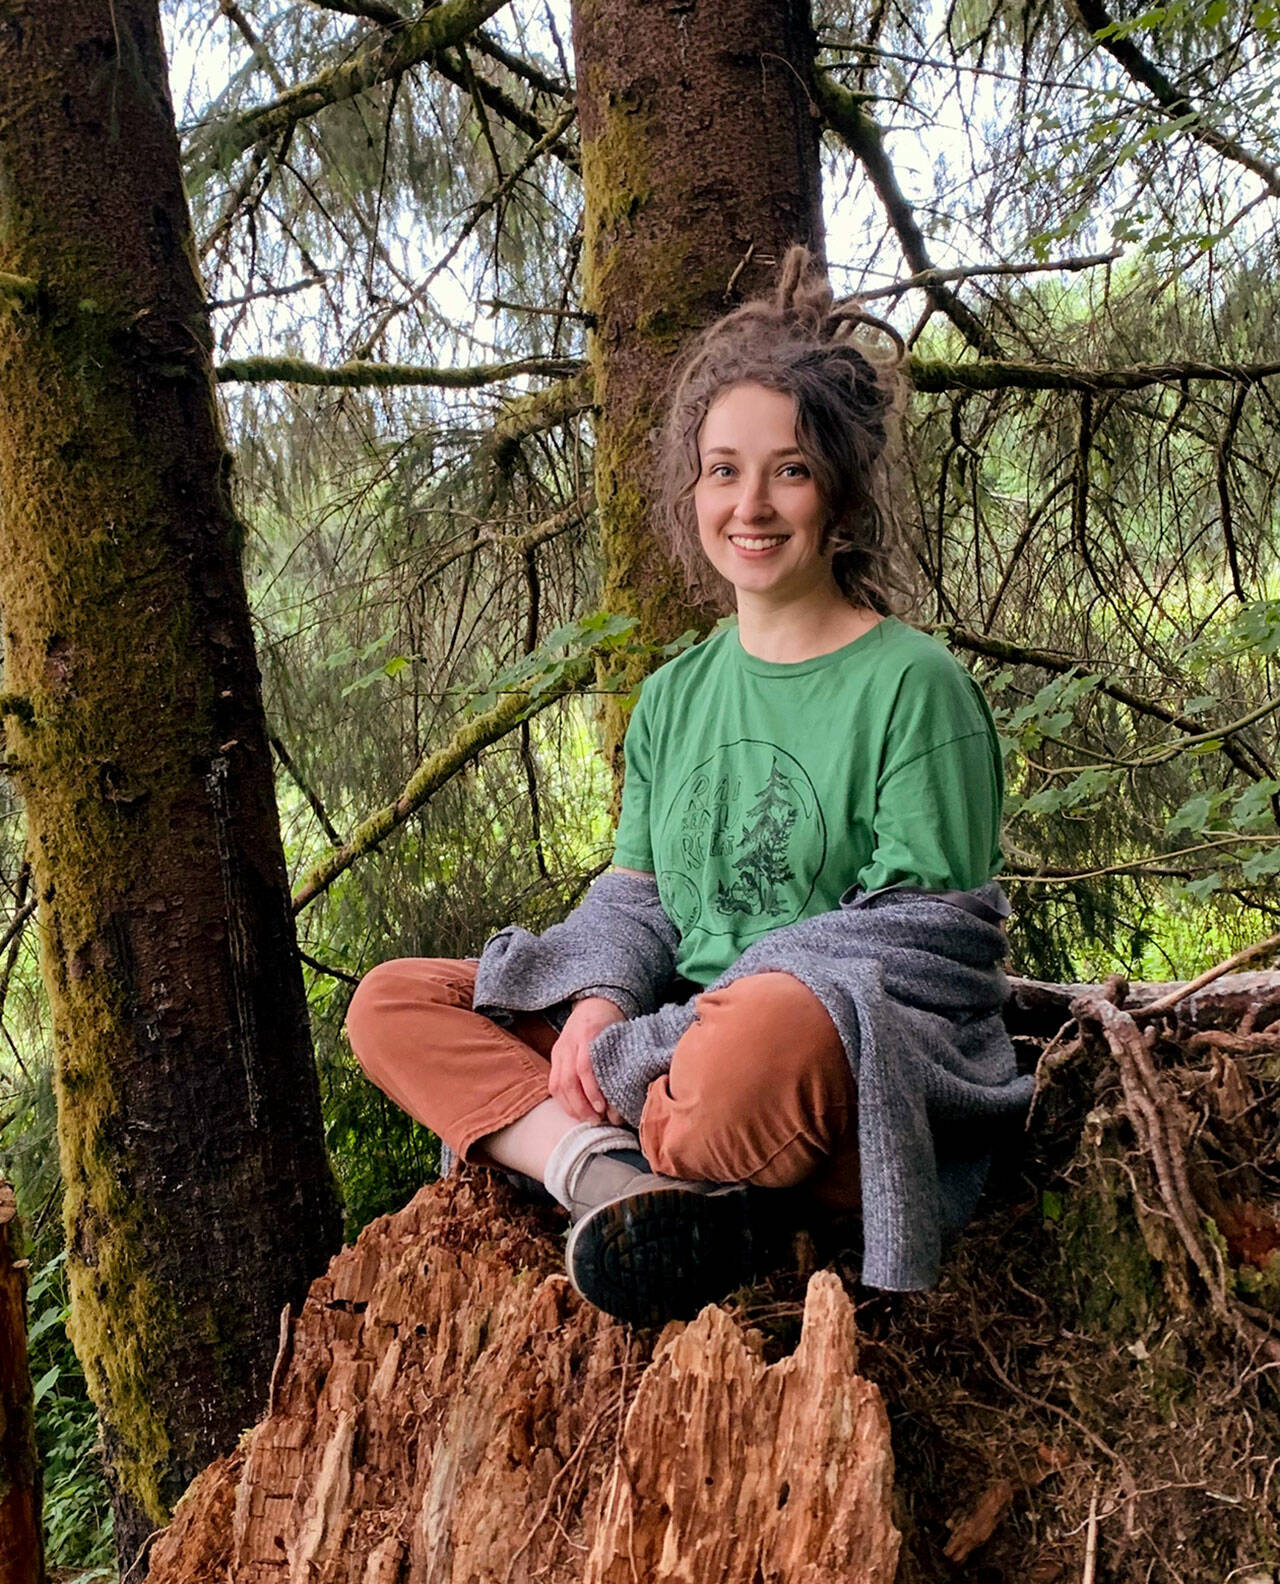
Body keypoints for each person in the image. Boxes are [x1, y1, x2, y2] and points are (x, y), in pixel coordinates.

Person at [346, 248, 1032, 1326]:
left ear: (841, 491)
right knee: (396, 1002)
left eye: (788, 470)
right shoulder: (673, 696)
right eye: (722, 470)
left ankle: (640, 1154)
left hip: (815, 1061)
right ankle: (607, 1174)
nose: (750, 504)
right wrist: (602, 1001)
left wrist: (669, 1039)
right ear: (692, 490)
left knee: (762, 1034)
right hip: (677, 1052)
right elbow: (639, 899)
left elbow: (924, 944)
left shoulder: (914, 686)